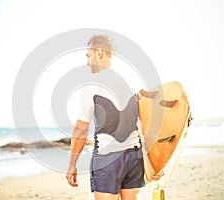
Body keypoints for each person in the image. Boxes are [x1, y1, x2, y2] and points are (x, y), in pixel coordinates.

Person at [66, 35, 160, 200]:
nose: (87, 62)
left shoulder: (91, 84)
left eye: (88, 56)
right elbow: (147, 125)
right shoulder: (133, 80)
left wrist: (72, 164)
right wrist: (155, 162)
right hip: (134, 157)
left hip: (107, 159)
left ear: (100, 53)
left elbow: (81, 129)